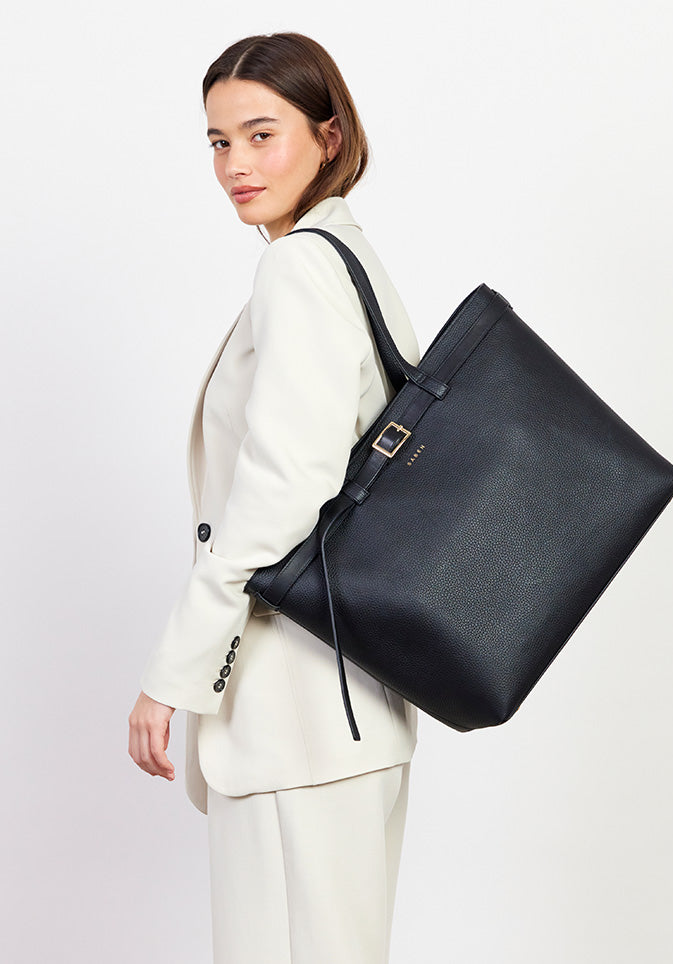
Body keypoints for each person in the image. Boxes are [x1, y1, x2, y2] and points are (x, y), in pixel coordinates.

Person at [128, 31, 421, 964]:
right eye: (219, 142)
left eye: (262, 134)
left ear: (328, 137)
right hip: (347, 710)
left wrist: (175, 672)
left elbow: (284, 484)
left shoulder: (299, 266)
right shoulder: (346, 256)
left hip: (296, 718)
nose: (235, 166)